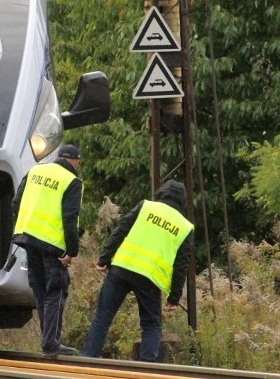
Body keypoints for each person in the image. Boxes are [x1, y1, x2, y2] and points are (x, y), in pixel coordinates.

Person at [81, 179, 194, 362]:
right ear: (183, 201)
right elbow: (182, 265)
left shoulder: (146, 207)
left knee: (103, 317)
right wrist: (174, 297)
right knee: (151, 324)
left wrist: (104, 259)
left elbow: (121, 230)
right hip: (150, 279)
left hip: (122, 268)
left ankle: (87, 359)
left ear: (162, 193)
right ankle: (146, 369)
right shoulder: (185, 226)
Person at [12, 144, 83, 356]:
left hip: (27, 238)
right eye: (79, 161)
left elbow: (16, 202)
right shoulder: (72, 181)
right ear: (75, 161)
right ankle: (51, 343)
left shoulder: (35, 171)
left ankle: (48, 341)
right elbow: (70, 218)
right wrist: (72, 250)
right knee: (56, 289)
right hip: (52, 244)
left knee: (41, 289)